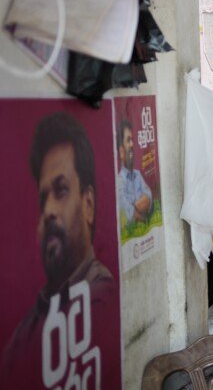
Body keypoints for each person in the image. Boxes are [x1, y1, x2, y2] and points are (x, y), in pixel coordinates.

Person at [1, 112, 117, 386]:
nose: (49, 211)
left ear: (88, 204)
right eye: (43, 199)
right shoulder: (22, 336)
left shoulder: (103, 298)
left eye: (61, 190)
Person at [117, 118, 152, 225]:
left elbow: (148, 196)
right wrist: (139, 212)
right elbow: (127, 213)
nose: (132, 144)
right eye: (128, 140)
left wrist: (135, 206)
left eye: (132, 140)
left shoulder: (138, 175)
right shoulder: (119, 181)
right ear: (121, 151)